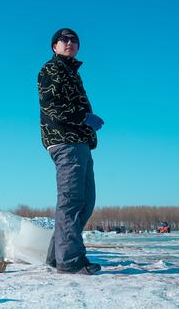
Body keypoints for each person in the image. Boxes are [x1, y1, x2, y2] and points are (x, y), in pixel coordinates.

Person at [37, 28, 104, 275]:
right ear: (54, 46)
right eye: (63, 39)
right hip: (65, 141)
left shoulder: (71, 72)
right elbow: (52, 106)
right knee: (72, 201)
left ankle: (57, 256)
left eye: (74, 40)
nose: (69, 42)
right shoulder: (51, 69)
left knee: (85, 201)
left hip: (79, 142)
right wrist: (85, 117)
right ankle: (71, 260)